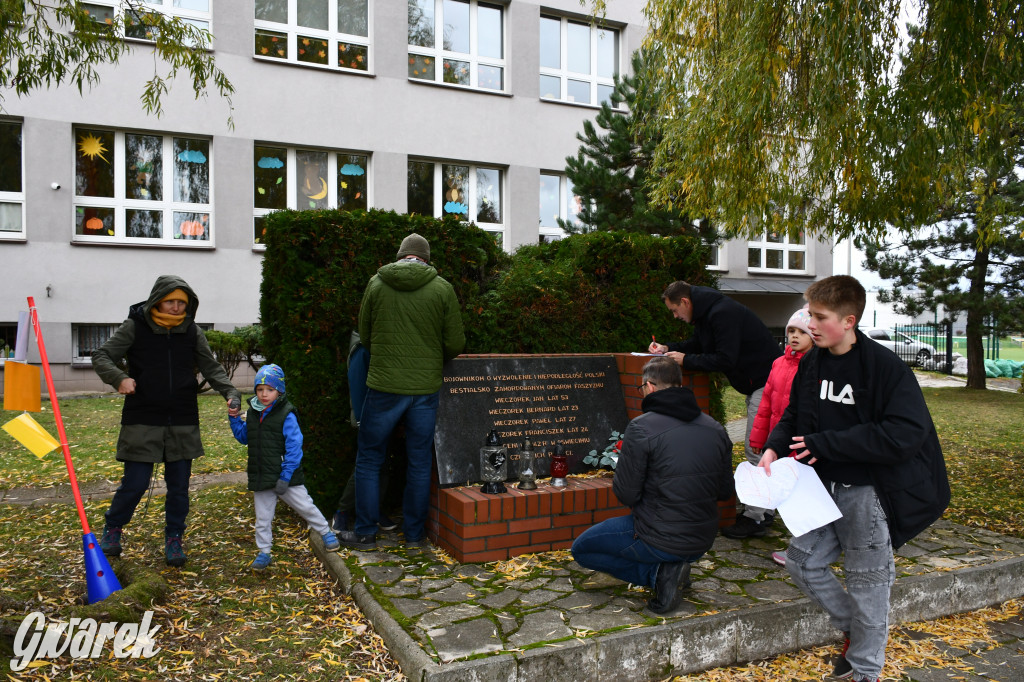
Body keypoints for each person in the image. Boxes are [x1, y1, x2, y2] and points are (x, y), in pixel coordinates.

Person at [758, 275, 950, 682]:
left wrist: (826, 443)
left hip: (869, 494)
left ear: (849, 320)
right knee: (802, 562)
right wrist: (773, 446)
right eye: (809, 315)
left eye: (820, 317)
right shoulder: (813, 361)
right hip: (822, 490)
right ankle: (854, 630)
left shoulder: (886, 368)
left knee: (868, 585)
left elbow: (904, 434)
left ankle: (865, 671)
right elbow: (795, 414)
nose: (810, 325)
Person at [91, 275, 241, 567]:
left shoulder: (191, 331)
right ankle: (113, 528)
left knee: (179, 487)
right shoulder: (135, 326)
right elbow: (102, 356)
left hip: (182, 417)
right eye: (170, 301)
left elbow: (211, 367)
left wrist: (230, 392)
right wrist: (119, 378)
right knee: (135, 483)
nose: (175, 307)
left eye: (181, 303)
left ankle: (174, 538)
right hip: (142, 416)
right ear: (157, 301)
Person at [571, 357, 734, 615]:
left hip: (657, 536)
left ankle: (659, 574)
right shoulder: (715, 428)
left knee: (581, 549)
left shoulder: (641, 427)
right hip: (702, 539)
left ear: (649, 386)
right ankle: (675, 569)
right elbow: (725, 491)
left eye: (642, 388)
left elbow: (626, 493)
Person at [339, 233, 465, 550]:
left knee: (369, 459)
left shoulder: (376, 284)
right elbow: (454, 343)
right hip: (424, 389)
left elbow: (365, 336)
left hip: (383, 387)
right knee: (419, 462)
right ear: (426, 258)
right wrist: (430, 358)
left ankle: (365, 534)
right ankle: (414, 535)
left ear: (400, 256)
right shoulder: (442, 289)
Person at [648, 280, 781, 538]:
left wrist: (686, 360)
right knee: (760, 447)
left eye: (674, 310)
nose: (675, 316)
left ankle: (756, 517)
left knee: (755, 448)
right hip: (759, 384)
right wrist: (668, 348)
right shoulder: (708, 314)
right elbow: (698, 344)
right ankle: (764, 510)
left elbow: (725, 358)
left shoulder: (722, 313)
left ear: (685, 302)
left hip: (766, 385)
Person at [229, 364, 340, 570]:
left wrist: (286, 475)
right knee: (263, 518)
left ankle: (326, 532)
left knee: (305, 506)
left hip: (285, 477)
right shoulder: (253, 412)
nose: (264, 394)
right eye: (260, 389)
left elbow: (294, 446)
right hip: (262, 475)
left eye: (269, 390)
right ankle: (264, 551)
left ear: (279, 391)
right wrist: (234, 419)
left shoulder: (286, 414)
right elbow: (245, 436)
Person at [747, 306, 814, 566]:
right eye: (791, 331)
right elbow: (766, 404)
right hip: (779, 440)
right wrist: (759, 438)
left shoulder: (814, 366)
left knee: (802, 496)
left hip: (801, 444)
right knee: (786, 492)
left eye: (802, 332)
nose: (794, 336)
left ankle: (804, 547)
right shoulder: (778, 363)